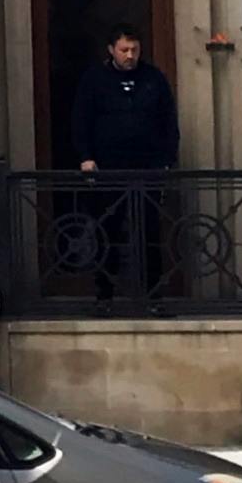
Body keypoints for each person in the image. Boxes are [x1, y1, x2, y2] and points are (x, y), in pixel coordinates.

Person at [69, 26, 179, 303]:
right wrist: (86, 157)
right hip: (108, 167)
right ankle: (104, 295)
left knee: (149, 232)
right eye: (124, 50)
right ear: (111, 50)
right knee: (107, 231)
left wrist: (166, 160)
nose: (130, 56)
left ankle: (152, 296)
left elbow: (169, 123)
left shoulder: (154, 79)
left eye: (135, 50)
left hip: (148, 167)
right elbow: (81, 120)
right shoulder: (94, 80)